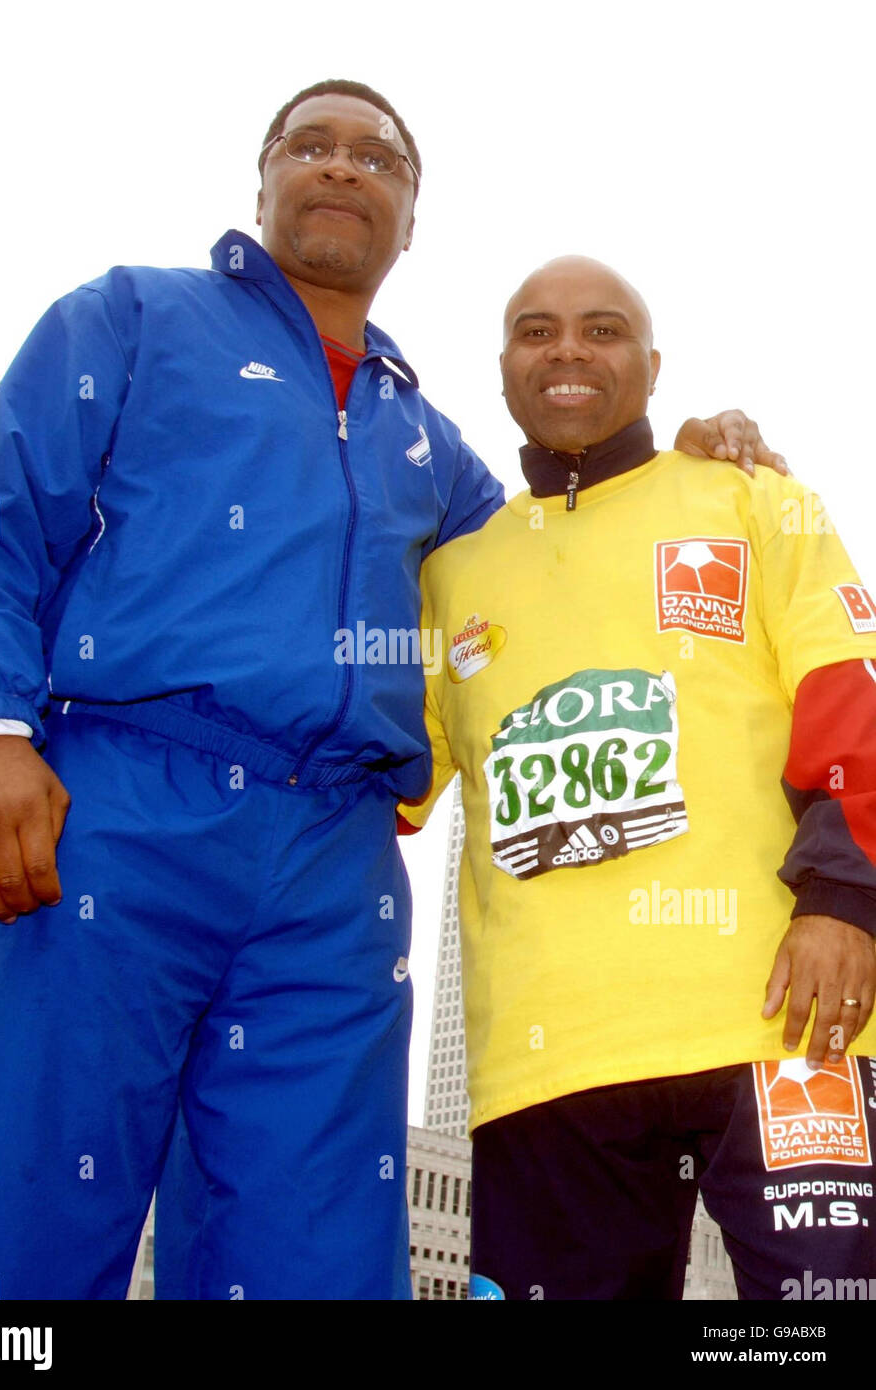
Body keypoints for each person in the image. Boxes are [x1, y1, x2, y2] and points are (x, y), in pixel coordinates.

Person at [0, 78, 779, 1301]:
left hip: (336, 867)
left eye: (380, 157)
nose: (343, 167)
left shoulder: (434, 447)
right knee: (19, 1227)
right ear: (262, 183)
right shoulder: (129, 318)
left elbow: (554, 564)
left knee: (315, 1254)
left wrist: (679, 464)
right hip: (110, 814)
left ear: (410, 220)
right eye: (311, 145)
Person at [398, 255, 876, 1301]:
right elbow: (387, 783)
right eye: (537, 330)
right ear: (503, 367)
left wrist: (846, 902)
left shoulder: (754, 499)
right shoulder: (450, 574)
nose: (567, 348)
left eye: (602, 328)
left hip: (776, 1020)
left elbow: (852, 705)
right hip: (544, 1064)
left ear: (652, 365)